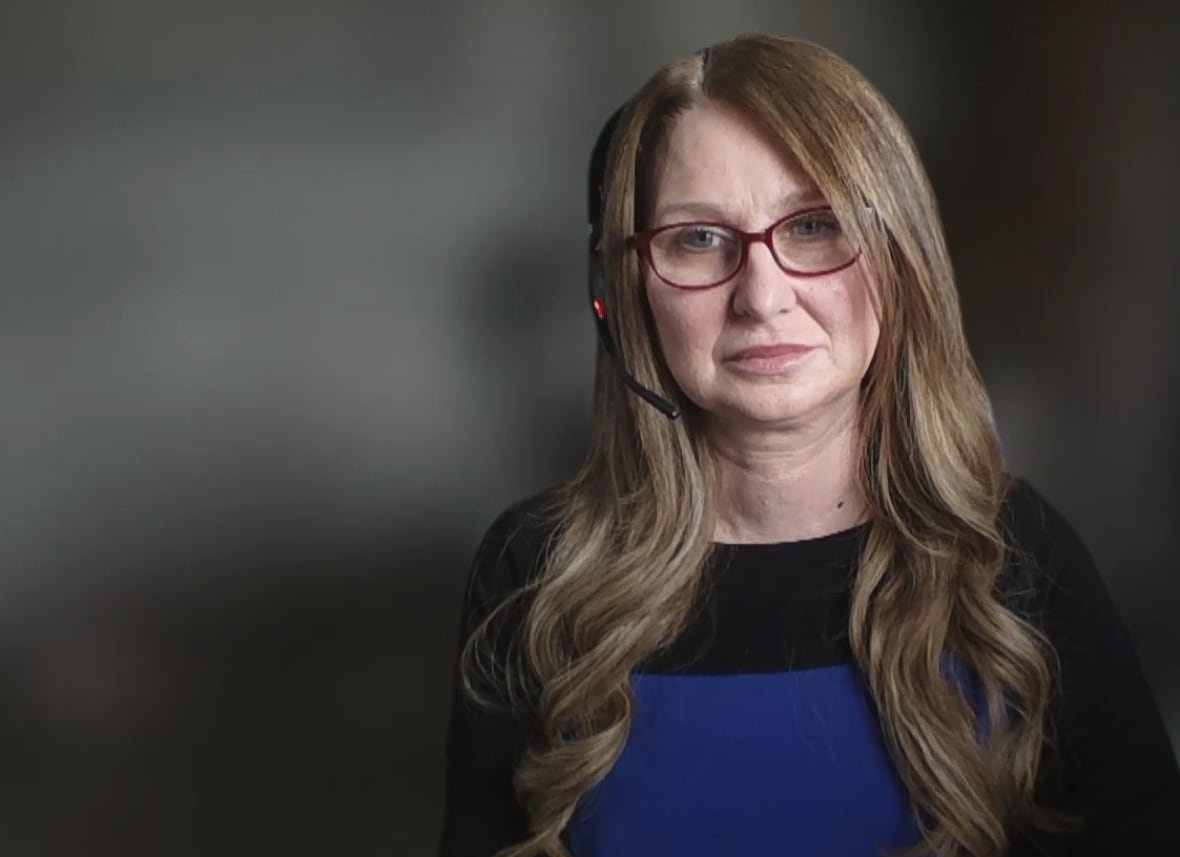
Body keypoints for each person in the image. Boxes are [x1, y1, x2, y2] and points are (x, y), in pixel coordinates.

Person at [437, 33, 1180, 857]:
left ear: (903, 260)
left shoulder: (1018, 562)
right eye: (698, 239)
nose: (762, 294)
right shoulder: (536, 570)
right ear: (620, 293)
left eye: (815, 224)